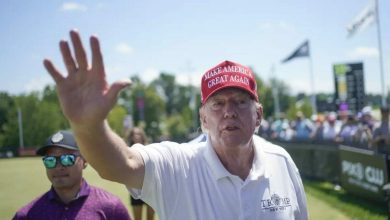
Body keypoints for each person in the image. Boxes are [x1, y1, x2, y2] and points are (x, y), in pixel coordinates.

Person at [43, 30, 308, 219]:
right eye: (217, 104)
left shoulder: (280, 161)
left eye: (240, 101)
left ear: (258, 115)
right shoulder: (177, 165)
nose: (229, 112)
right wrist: (89, 126)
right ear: (203, 119)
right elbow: (120, 164)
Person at [13, 130, 131, 220]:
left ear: (85, 161)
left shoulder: (111, 207)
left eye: (67, 159)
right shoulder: (27, 215)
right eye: (50, 160)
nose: (58, 167)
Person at [125, 127, 155, 220]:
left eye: (139, 134)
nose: (137, 136)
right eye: (134, 134)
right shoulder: (127, 150)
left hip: (150, 188)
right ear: (131, 136)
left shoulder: (149, 149)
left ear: (142, 136)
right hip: (135, 187)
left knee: (150, 217)